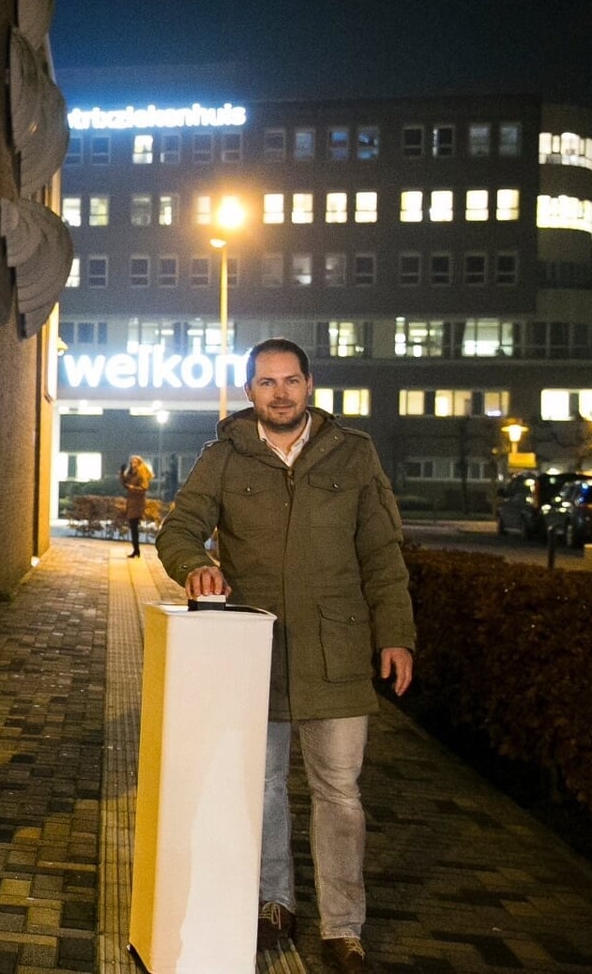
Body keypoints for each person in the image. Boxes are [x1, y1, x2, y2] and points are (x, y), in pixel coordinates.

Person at [155, 338, 414, 974]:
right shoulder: (223, 457)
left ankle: (343, 927)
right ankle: (275, 901)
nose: (280, 393)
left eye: (290, 381)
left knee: (340, 794)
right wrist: (197, 567)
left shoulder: (354, 455)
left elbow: (382, 553)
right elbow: (178, 530)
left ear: (309, 385)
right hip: (256, 651)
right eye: (266, 382)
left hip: (339, 652)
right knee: (265, 787)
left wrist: (397, 635)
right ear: (250, 392)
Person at [120, 454, 153, 557]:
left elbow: (144, 488)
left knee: (134, 526)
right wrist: (121, 473)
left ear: (139, 463)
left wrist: (132, 487)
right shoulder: (131, 474)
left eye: (135, 462)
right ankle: (136, 550)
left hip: (138, 503)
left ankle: (136, 550)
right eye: (131, 462)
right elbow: (124, 483)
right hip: (131, 503)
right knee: (133, 527)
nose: (132, 464)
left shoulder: (141, 474)